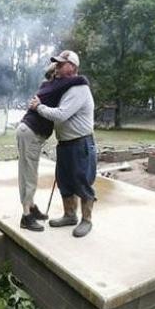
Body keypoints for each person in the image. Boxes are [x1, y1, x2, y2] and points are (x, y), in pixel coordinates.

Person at [29, 50, 96, 238]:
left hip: (80, 143)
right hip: (66, 143)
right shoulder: (66, 87)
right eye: (56, 64)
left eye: (61, 64)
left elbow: (61, 114)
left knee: (82, 182)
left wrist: (38, 107)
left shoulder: (79, 89)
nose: (57, 66)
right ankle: (69, 215)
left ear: (73, 67)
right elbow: (48, 77)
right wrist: (54, 72)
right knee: (65, 181)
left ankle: (87, 220)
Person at [17, 63, 88, 232]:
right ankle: (26, 216)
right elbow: (80, 79)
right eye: (56, 71)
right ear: (54, 75)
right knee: (29, 174)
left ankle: (31, 207)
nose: (58, 73)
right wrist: (83, 79)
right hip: (30, 132)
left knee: (29, 171)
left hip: (30, 132)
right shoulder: (53, 84)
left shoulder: (48, 87)